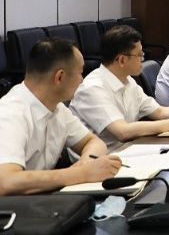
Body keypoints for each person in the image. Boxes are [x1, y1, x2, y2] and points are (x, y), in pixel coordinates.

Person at [0, 38, 121, 195]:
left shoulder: (57, 108)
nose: (82, 80)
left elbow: (93, 141)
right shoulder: (10, 113)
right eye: (80, 73)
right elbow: (6, 182)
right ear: (59, 77)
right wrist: (81, 174)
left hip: (39, 202)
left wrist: (87, 162)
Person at [70, 25, 169, 145]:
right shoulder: (93, 88)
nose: (142, 59)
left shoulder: (128, 80)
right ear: (122, 60)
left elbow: (158, 112)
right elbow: (123, 131)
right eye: (139, 55)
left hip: (130, 149)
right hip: (105, 159)